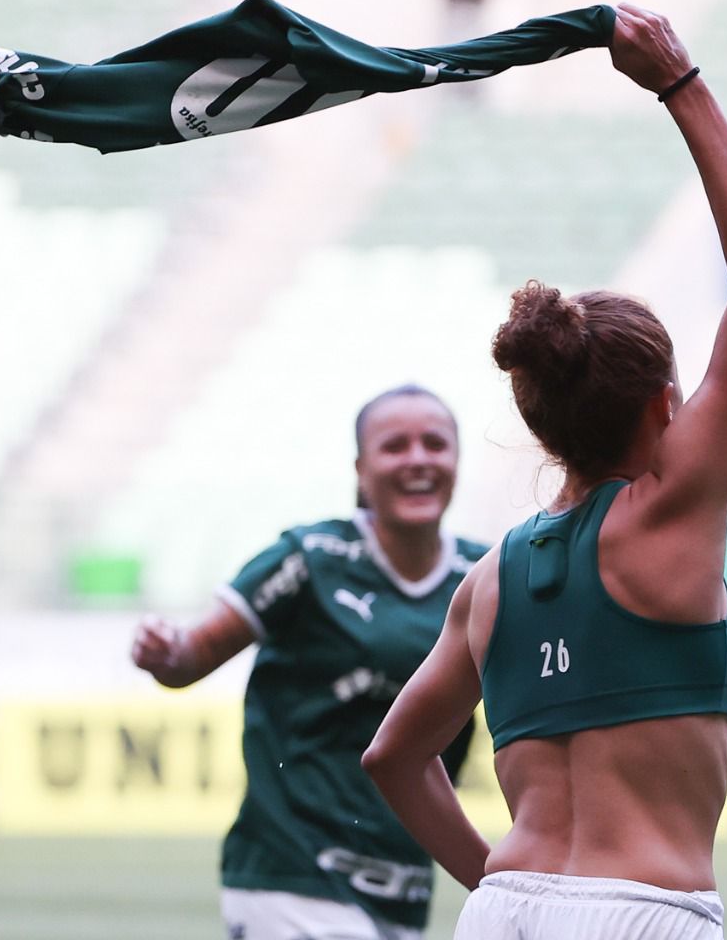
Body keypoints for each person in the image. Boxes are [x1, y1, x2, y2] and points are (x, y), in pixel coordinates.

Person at [361, 3, 727, 940]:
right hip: (643, 912)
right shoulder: (674, 510)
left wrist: (509, 889)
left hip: (501, 913)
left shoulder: (487, 583)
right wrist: (680, 85)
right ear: (661, 408)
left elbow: (394, 758)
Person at [131, 384, 488, 940]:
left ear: (457, 460)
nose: (418, 459)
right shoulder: (308, 559)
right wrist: (167, 651)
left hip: (403, 884)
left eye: (434, 444)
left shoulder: (485, 575)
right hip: (291, 876)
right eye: (395, 446)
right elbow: (194, 655)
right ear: (361, 468)